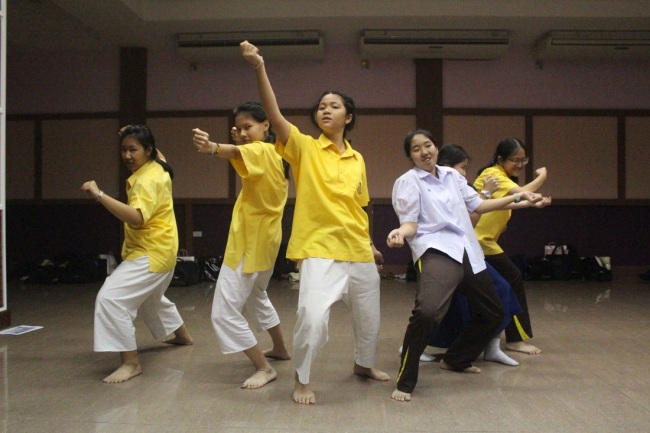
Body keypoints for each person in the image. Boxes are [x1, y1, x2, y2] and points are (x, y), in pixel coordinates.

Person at [241, 40, 389, 405]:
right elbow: (275, 118)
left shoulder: (358, 159)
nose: (326, 110)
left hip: (358, 248)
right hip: (320, 247)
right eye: (322, 106)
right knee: (311, 317)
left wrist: (370, 243)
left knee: (368, 316)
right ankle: (302, 379)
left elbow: (362, 204)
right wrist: (260, 67)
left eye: (334, 106)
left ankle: (363, 365)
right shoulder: (305, 147)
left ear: (348, 117)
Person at [387, 129, 543, 402]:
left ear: (436, 148)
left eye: (428, 145)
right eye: (416, 149)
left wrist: (521, 198)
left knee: (494, 313)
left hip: (468, 249)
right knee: (427, 311)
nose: (424, 151)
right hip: (436, 249)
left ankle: (456, 359)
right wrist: (400, 232)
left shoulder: (451, 176)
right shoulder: (408, 182)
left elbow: (479, 206)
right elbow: (410, 222)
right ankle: (406, 380)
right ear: (409, 156)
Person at [81, 124, 193, 383]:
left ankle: (130, 363)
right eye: (124, 149)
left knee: (111, 298)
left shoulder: (146, 180)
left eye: (134, 149)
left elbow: (136, 217)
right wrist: (132, 131)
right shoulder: (159, 164)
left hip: (151, 253)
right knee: (151, 298)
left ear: (148, 150)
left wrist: (99, 194)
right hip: (164, 249)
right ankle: (182, 336)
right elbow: (157, 152)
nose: (128, 155)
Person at [191, 101, 291, 389]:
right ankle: (281, 349)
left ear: (266, 125)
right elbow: (243, 155)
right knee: (256, 296)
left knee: (223, 311)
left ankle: (263, 366)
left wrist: (212, 147)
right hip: (267, 243)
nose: (244, 133)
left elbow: (237, 152)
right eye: (239, 128)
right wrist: (236, 142)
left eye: (249, 127)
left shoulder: (260, 150)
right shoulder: (274, 153)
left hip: (249, 244)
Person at [428, 143, 528, 367]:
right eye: (462, 167)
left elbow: (488, 208)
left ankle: (489, 348)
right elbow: (474, 213)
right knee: (433, 307)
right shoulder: (434, 190)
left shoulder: (462, 187)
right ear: (446, 167)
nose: (465, 173)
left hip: (470, 253)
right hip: (445, 255)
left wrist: (526, 200)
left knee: (498, 292)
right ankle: (417, 346)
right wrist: (539, 180)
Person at [474, 138, 550, 355]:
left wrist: (533, 203)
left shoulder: (502, 177)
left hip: (485, 243)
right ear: (500, 159)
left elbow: (512, 200)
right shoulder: (493, 175)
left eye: (522, 160)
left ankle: (501, 337)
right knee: (513, 278)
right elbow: (523, 191)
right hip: (479, 243)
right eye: (514, 160)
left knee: (506, 283)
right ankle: (515, 339)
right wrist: (542, 178)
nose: (519, 164)